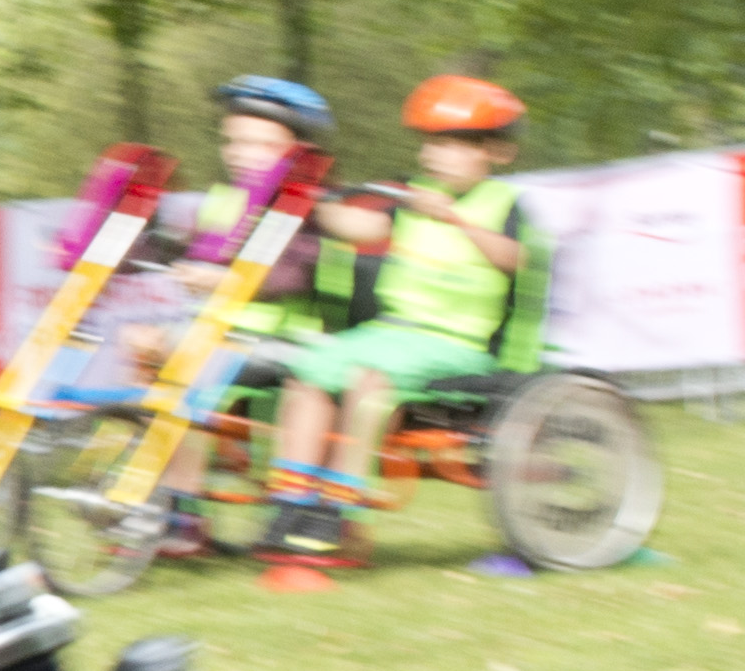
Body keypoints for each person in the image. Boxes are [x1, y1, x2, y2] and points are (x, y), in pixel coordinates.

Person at [248, 70, 540, 586]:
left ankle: (339, 512)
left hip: (458, 345)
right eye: (431, 144)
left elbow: (515, 261)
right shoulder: (412, 196)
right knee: (308, 372)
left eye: (452, 145)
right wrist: (312, 202)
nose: (434, 155)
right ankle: (288, 506)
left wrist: (456, 220)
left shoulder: (505, 206)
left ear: (496, 153)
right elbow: (360, 227)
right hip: (393, 333)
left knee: (368, 381)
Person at [103, 75, 329, 568]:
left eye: (259, 143)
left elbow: (292, 271)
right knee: (143, 343)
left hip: (283, 339)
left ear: (297, 149)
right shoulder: (225, 201)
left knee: (182, 356)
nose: (241, 153)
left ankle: (179, 509)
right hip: (219, 335)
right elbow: (183, 250)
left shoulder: (302, 202)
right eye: (233, 141)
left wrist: (219, 281)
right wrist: (129, 249)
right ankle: (165, 493)